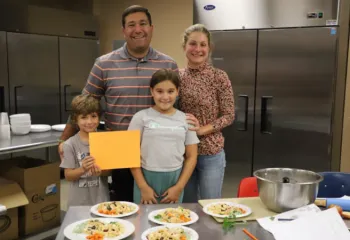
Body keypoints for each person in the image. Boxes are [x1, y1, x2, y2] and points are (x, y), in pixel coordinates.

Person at [57, 5, 199, 202]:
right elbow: (84, 104)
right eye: (131, 25)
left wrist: (189, 124)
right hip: (119, 147)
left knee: (160, 209)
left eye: (143, 23)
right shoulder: (104, 64)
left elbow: (176, 104)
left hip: (157, 149)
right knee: (125, 207)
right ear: (124, 31)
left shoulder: (168, 64)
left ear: (151, 28)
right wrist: (65, 139)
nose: (138, 29)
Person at [179, 24, 235, 202]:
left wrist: (202, 130)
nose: (198, 49)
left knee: (210, 205)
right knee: (186, 206)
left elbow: (229, 115)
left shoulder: (219, 77)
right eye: (193, 44)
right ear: (184, 47)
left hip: (211, 152)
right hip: (183, 152)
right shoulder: (176, 76)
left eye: (203, 45)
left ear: (209, 48)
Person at [128, 69, 199, 204]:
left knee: (172, 222)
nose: (165, 97)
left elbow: (192, 156)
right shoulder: (140, 117)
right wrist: (143, 187)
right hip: (145, 180)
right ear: (151, 91)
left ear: (177, 91)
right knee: (144, 221)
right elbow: (131, 155)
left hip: (175, 180)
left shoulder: (186, 119)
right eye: (159, 91)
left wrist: (179, 187)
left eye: (170, 91)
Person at [60, 94, 110, 207]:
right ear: (75, 119)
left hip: (101, 201)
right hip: (79, 203)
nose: (89, 121)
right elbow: (68, 175)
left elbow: (109, 171)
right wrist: (83, 169)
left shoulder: (104, 141)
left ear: (99, 117)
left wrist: (101, 171)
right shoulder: (70, 144)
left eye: (93, 116)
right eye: (84, 117)